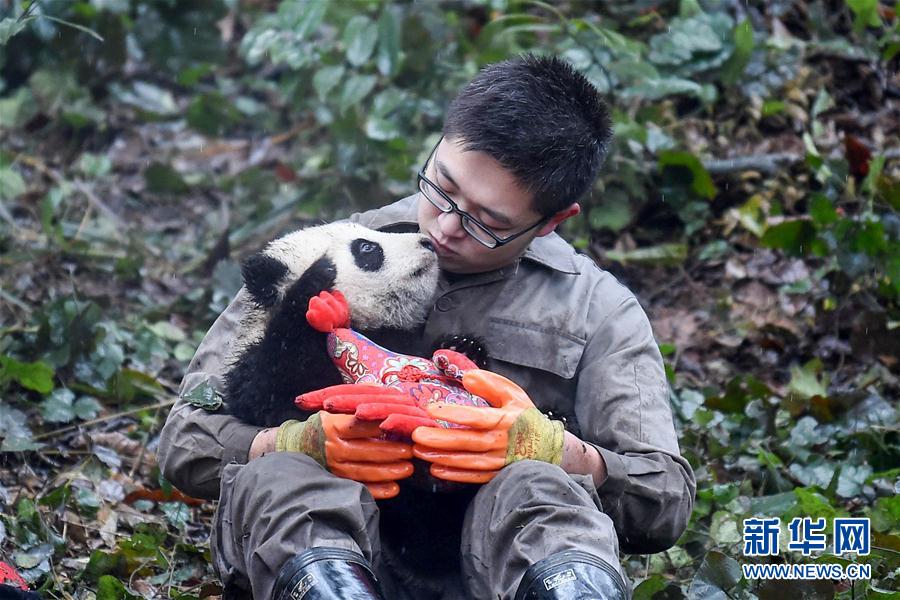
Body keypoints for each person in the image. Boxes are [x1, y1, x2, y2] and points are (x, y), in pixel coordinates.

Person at [157, 54, 695, 600]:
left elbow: (667, 499)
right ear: (440, 141)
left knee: (538, 487)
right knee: (285, 475)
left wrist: (563, 453)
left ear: (553, 220)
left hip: (497, 574)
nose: (446, 225)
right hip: (326, 547)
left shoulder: (599, 309)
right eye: (442, 185)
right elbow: (184, 440)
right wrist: (288, 442)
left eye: (488, 221)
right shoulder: (326, 251)